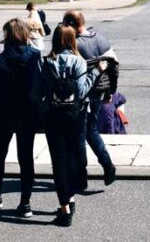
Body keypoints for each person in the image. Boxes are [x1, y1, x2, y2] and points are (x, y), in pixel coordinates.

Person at [34, 25, 100, 227]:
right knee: (72, 159)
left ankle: (64, 205)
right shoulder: (79, 61)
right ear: (72, 40)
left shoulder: (47, 62)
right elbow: (81, 91)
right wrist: (95, 72)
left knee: (58, 161)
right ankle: (70, 198)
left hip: (53, 115)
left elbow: (39, 91)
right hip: (75, 116)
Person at [0, 18, 41, 216]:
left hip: (4, 112)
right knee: (26, 157)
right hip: (27, 113)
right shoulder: (35, 56)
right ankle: (25, 202)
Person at [63, 10, 118, 186]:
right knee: (92, 130)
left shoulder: (75, 44)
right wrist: (110, 91)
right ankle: (107, 164)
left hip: (82, 93)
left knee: (80, 134)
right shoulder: (101, 39)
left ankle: (81, 175)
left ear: (71, 25)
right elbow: (113, 67)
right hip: (100, 92)